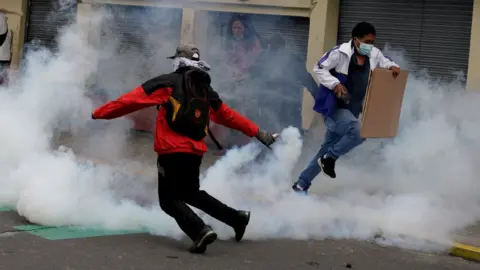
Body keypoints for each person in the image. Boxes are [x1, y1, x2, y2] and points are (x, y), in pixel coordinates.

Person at [91, 43, 278, 253]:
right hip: (195, 151)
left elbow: (130, 100)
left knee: (168, 200)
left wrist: (99, 113)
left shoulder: (167, 82)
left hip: (171, 150)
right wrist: (259, 133)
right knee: (191, 193)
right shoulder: (205, 89)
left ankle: (200, 231)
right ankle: (236, 218)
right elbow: (229, 115)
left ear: (178, 60)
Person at [292, 22, 401, 193]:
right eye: (367, 42)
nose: (370, 46)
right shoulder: (339, 53)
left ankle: (301, 184)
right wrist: (335, 84)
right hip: (334, 108)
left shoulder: (373, 54)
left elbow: (385, 61)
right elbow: (319, 68)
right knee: (359, 132)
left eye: (372, 42)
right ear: (355, 40)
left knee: (326, 148)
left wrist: (393, 67)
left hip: (352, 111)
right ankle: (330, 158)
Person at [249, 34, 318, 131]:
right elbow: (254, 75)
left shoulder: (291, 59)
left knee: (284, 130)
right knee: (279, 130)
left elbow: (306, 78)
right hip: (272, 103)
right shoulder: (264, 57)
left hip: (287, 104)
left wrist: (318, 96)